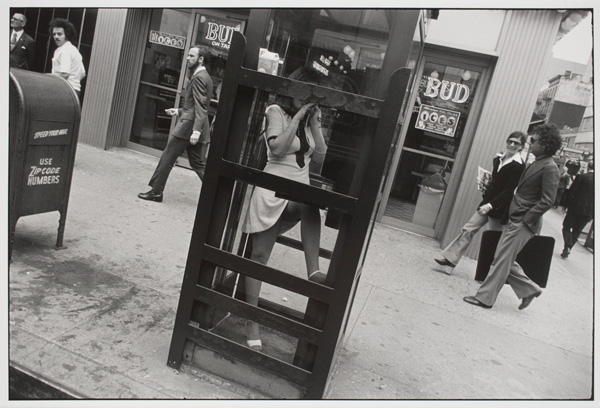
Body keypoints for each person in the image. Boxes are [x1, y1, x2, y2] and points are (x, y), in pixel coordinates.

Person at [241, 67, 328, 350]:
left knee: (309, 204)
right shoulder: (276, 111)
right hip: (271, 189)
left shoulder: (309, 119)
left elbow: (321, 155)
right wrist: (299, 116)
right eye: (305, 93)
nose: (308, 100)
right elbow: (277, 149)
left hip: (295, 191)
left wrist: (313, 121)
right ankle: (251, 320)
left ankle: (313, 271)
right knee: (259, 257)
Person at [463, 124, 562, 310]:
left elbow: (548, 200)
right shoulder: (537, 162)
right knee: (502, 257)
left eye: (533, 140)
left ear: (546, 144)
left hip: (524, 223)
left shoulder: (550, 167)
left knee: (501, 260)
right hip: (516, 219)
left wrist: (526, 219)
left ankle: (485, 298)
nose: (529, 143)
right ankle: (530, 289)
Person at [434, 131, 526, 274]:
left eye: (516, 143)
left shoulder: (519, 166)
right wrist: (484, 184)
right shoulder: (498, 159)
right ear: (506, 141)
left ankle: (498, 274)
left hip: (499, 208)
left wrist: (490, 205)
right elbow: (495, 183)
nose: (512, 145)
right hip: (486, 203)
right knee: (468, 230)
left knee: (495, 243)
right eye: (510, 141)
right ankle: (450, 262)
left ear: (521, 147)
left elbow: (508, 191)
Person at [138, 45, 214, 202]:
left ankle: (156, 192)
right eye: (188, 56)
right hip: (195, 123)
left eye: (192, 56)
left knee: (168, 156)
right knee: (198, 163)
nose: (188, 59)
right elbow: (196, 105)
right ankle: (216, 193)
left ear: (201, 59)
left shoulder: (199, 77)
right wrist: (179, 111)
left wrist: (195, 131)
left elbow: (200, 106)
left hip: (189, 127)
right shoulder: (205, 76)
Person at [560, 160, 594, 258]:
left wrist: (566, 204)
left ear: (588, 166)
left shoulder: (581, 177)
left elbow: (572, 192)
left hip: (575, 207)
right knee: (577, 230)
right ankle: (568, 248)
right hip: (589, 211)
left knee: (566, 226)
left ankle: (567, 246)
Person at [49, 18, 86, 98]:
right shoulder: (73, 49)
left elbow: (65, 74)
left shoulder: (65, 50)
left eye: (59, 34)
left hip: (63, 90)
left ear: (67, 34)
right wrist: (73, 81)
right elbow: (82, 73)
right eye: (54, 34)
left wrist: (49, 80)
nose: (56, 37)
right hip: (74, 90)